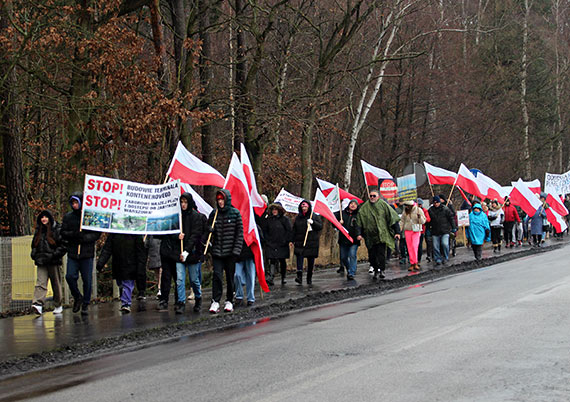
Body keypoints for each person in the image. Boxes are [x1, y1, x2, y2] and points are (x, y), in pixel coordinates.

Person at [61, 193, 101, 315]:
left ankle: (85, 303)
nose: (74, 205)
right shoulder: (68, 217)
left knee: (87, 280)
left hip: (86, 253)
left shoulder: (90, 216)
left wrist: (84, 237)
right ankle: (77, 296)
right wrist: (74, 235)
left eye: (76, 202)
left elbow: (96, 234)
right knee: (69, 276)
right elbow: (63, 232)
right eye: (72, 203)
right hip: (73, 252)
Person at [207, 189, 243, 313]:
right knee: (217, 276)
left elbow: (239, 234)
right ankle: (215, 301)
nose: (220, 202)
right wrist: (209, 230)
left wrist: (236, 250)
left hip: (230, 252)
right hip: (217, 251)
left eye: (222, 199)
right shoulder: (214, 214)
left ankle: (229, 300)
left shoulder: (235, 213)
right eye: (218, 200)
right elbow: (207, 231)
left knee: (229, 277)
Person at [96, 234, 147, 313]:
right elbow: (107, 249)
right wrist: (101, 263)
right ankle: (124, 299)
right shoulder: (114, 234)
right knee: (121, 283)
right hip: (118, 264)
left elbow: (140, 252)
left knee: (127, 284)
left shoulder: (135, 234)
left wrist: (141, 267)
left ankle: (126, 303)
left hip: (131, 264)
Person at [356, 190, 401, 279]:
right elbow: (359, 222)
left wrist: (397, 232)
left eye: (374, 196)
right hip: (370, 236)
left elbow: (393, 218)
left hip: (382, 234)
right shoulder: (364, 208)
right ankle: (376, 269)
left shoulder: (384, 206)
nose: (372, 197)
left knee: (381, 254)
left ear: (378, 196)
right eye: (371, 196)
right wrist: (359, 234)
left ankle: (382, 270)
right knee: (372, 255)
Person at [30, 210, 66, 315]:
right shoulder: (38, 231)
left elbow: (63, 245)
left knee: (56, 283)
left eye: (45, 217)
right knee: (40, 283)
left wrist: (54, 255)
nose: (43, 219)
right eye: (42, 217)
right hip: (41, 261)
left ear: (50, 218)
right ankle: (38, 304)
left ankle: (58, 304)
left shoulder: (57, 229)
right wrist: (34, 254)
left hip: (53, 261)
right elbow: (34, 245)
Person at [175, 192, 204, 314]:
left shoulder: (196, 217)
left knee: (194, 280)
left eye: (185, 202)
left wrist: (187, 250)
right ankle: (181, 302)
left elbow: (195, 235)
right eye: (181, 202)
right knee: (180, 279)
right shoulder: (178, 217)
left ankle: (198, 298)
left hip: (192, 253)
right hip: (179, 253)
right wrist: (177, 236)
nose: (183, 205)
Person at [292, 200, 323, 287]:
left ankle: (309, 277)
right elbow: (294, 229)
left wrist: (313, 223)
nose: (304, 208)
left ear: (308, 207)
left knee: (310, 260)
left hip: (311, 242)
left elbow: (320, 227)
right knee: (299, 258)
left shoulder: (314, 216)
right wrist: (292, 240)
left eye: (305, 207)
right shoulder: (298, 218)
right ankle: (299, 276)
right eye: (302, 207)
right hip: (300, 241)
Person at [261, 202, 292, 285]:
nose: (274, 211)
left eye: (276, 209)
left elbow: (289, 230)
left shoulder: (285, 219)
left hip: (282, 243)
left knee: (282, 260)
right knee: (272, 260)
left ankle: (283, 277)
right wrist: (267, 240)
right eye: (273, 209)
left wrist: (286, 240)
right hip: (271, 243)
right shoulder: (269, 220)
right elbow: (265, 231)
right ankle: (271, 277)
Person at [334, 199, 361, 280]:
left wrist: (360, 234)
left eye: (355, 204)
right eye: (351, 203)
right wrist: (339, 223)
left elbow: (360, 226)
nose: (353, 205)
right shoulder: (342, 214)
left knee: (352, 255)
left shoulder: (359, 215)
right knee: (343, 257)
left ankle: (352, 272)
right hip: (343, 239)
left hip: (354, 239)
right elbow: (333, 221)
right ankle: (349, 268)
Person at [427, 195, 456, 266]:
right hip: (435, 231)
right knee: (435, 246)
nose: (436, 204)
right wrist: (428, 229)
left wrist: (453, 227)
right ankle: (438, 259)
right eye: (434, 202)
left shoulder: (445, 209)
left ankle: (446, 257)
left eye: (437, 202)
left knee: (445, 244)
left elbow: (451, 218)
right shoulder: (430, 210)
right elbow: (429, 221)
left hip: (445, 230)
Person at [400, 200, 426, 271]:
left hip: (416, 231)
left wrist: (419, 217)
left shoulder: (418, 210)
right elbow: (402, 220)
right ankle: (412, 263)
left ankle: (416, 262)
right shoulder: (405, 211)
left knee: (415, 246)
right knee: (409, 247)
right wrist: (400, 228)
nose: (406, 207)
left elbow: (424, 221)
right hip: (407, 230)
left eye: (408, 206)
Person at [416, 199, 431, 266]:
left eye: (420, 204)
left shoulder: (424, 210)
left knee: (421, 244)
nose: (419, 205)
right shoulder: (414, 211)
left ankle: (420, 258)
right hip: (415, 230)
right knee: (417, 245)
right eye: (418, 204)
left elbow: (428, 219)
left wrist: (422, 217)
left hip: (422, 230)